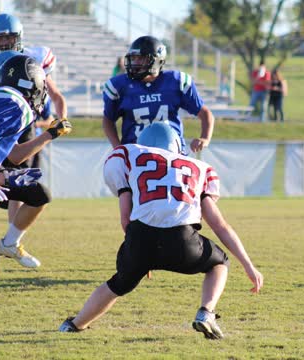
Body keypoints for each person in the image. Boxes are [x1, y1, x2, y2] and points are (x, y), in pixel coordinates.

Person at [59, 122, 263, 339]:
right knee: (219, 263)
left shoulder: (130, 155)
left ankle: (75, 324)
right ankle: (206, 313)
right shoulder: (198, 168)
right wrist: (249, 266)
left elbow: (125, 218)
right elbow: (219, 225)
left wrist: (140, 253)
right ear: (177, 146)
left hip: (140, 236)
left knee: (119, 284)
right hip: (183, 240)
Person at [0, 13, 69, 268]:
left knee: (39, 192)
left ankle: (9, 243)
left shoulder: (12, 102)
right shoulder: (13, 101)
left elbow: (15, 156)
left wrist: (50, 134)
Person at [102, 35, 214, 155]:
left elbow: (205, 113)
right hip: (135, 155)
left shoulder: (176, 82)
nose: (135, 62)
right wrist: (118, 148)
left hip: (172, 154)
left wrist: (205, 138)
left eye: (141, 58)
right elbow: (108, 119)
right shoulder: (119, 86)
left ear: (157, 60)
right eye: (133, 58)